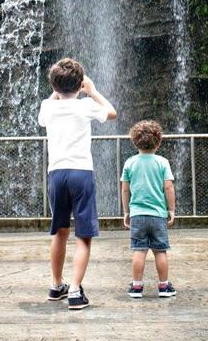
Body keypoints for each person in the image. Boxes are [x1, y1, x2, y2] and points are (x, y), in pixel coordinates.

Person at [38, 57, 117, 310]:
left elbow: (44, 115)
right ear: (80, 84)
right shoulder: (86, 106)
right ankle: (74, 291)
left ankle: (55, 284)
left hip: (56, 174)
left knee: (59, 231)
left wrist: (55, 91)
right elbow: (112, 113)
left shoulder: (47, 107)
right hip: (81, 173)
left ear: (54, 85)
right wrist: (92, 92)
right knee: (83, 235)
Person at [120, 119, 176, 298]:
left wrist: (127, 212)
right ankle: (164, 286)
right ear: (158, 142)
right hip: (158, 215)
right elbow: (168, 187)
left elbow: (125, 188)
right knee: (160, 250)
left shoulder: (130, 163)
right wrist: (171, 210)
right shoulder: (162, 162)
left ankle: (136, 287)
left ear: (134, 141)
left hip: (137, 214)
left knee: (139, 250)